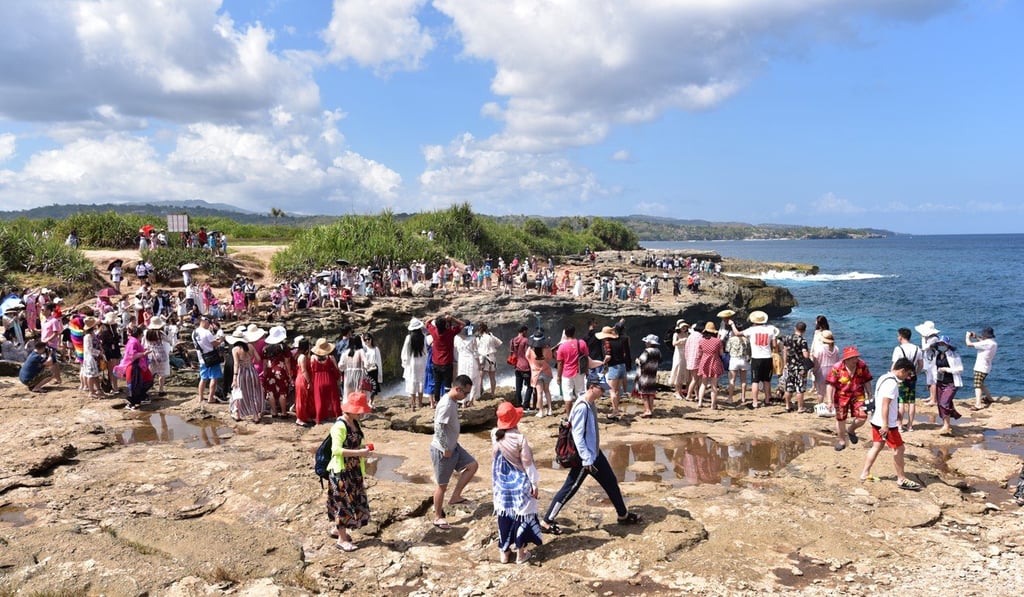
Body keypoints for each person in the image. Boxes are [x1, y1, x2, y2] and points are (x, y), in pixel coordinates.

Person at [539, 372, 642, 535]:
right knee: (570, 488)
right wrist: (586, 459)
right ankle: (546, 522)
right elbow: (577, 436)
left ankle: (623, 515)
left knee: (611, 482)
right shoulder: (581, 407)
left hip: (594, 453)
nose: (604, 392)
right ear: (592, 387)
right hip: (584, 458)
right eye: (601, 389)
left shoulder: (589, 402)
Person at [859, 358, 923, 490]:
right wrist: (886, 425)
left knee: (877, 446)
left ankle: (865, 473)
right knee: (899, 449)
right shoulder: (892, 384)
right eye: (907, 373)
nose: (907, 377)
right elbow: (885, 404)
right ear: (902, 370)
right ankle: (901, 479)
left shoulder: (884, 377)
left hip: (876, 420)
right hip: (886, 423)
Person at [491, 401, 543, 564]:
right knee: (522, 518)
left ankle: (504, 553)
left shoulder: (494, 434)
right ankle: (520, 555)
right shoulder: (520, 439)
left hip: (501, 485)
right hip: (520, 484)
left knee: (504, 517)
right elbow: (527, 463)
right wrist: (534, 484)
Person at [326, 388, 374, 551]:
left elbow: (355, 443)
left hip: (353, 471)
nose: (362, 414)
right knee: (343, 504)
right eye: (359, 411)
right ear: (351, 410)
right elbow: (336, 450)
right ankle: (341, 539)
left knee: (351, 501)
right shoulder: (339, 426)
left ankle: (337, 529)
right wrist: (359, 452)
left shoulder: (355, 423)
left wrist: (363, 449)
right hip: (341, 472)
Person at [430, 374, 479, 530]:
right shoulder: (446, 404)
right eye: (465, 393)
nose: (465, 397)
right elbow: (438, 428)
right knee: (442, 485)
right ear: (457, 389)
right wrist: (445, 447)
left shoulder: (452, 401)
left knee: (472, 465)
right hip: (442, 449)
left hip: (453, 446)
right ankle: (437, 517)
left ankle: (456, 497)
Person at [826, 346, 873, 451]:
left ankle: (851, 429)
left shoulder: (862, 365)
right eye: (853, 358)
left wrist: (870, 393)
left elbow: (867, 380)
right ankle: (841, 440)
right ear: (846, 359)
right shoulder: (837, 367)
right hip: (841, 396)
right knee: (841, 419)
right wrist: (829, 401)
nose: (856, 359)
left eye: (856, 357)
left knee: (863, 417)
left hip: (858, 395)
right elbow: (831, 385)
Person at [739, 311, 776, 409]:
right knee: (766, 380)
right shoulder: (770, 330)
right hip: (768, 357)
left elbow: (738, 333)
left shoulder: (751, 330)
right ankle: (767, 399)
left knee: (755, 381)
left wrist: (732, 324)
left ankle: (755, 402)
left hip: (756, 358)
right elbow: (775, 345)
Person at [426, 313, 464, 408]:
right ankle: (448, 401)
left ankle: (437, 402)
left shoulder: (434, 332)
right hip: (447, 363)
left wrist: (434, 317)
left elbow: (426, 322)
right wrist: (452, 318)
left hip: (436, 363)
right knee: (447, 384)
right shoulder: (450, 332)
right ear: (445, 325)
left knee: (437, 383)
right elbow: (463, 324)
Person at [227, 327, 264, 423]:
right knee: (253, 393)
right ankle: (255, 415)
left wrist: (234, 377)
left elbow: (236, 364)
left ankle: (237, 413)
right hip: (252, 371)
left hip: (242, 372)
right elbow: (258, 359)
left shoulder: (235, 349)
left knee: (239, 393)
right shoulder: (250, 346)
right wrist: (251, 363)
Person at [892, 328, 924, 432]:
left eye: (898, 336)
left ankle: (899, 424)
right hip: (912, 376)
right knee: (911, 401)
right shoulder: (917, 348)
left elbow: (894, 365)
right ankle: (910, 425)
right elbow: (921, 365)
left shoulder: (898, 349)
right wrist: (916, 373)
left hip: (901, 377)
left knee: (901, 401)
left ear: (900, 337)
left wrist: (892, 376)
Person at [930, 336, 963, 435]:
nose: (941, 346)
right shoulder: (937, 354)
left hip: (951, 383)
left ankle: (951, 417)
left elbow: (960, 369)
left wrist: (946, 369)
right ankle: (946, 425)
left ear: (947, 345)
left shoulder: (954, 355)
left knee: (944, 403)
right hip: (940, 382)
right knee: (940, 404)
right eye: (940, 344)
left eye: (943, 344)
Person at [555, 325, 590, 418]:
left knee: (567, 396)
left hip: (566, 374)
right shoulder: (581, 343)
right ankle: (582, 414)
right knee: (581, 393)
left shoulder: (562, 347)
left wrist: (558, 376)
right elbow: (586, 358)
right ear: (575, 332)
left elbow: (560, 363)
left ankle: (569, 416)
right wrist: (587, 371)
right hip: (579, 372)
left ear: (565, 334)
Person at [597, 324, 630, 418]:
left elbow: (608, 356)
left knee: (611, 391)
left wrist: (603, 363)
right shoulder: (620, 340)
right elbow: (624, 353)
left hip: (614, 367)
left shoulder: (607, 343)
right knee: (617, 390)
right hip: (622, 366)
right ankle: (616, 409)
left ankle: (615, 411)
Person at [261, 326, 293, 419]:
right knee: (282, 392)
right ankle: (283, 413)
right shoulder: (284, 347)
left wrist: (264, 372)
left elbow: (265, 362)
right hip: (281, 370)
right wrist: (289, 372)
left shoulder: (265, 348)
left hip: (270, 370)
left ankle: (274, 412)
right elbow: (287, 361)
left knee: (270, 392)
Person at [310, 338, 343, 425]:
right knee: (334, 399)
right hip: (329, 379)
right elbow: (336, 370)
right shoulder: (330, 357)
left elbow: (311, 370)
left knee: (319, 400)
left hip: (318, 381)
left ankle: (319, 418)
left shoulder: (313, 358)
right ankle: (338, 416)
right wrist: (338, 378)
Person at [780, 321, 811, 413]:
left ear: (795, 328)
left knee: (789, 387)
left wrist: (785, 364)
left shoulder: (787, 338)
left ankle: (787, 406)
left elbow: (785, 352)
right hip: (800, 367)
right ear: (804, 330)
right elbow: (805, 355)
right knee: (800, 388)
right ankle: (800, 407)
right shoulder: (803, 340)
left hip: (790, 366)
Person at [193, 317, 225, 404]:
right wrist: (221, 340)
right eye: (209, 322)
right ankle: (211, 397)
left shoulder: (194, 332)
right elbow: (215, 344)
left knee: (203, 378)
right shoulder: (206, 332)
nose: (210, 325)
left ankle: (201, 397)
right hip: (211, 357)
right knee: (213, 378)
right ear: (205, 322)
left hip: (201, 358)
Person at [965, 327, 998, 410]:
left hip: (980, 367)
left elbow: (969, 344)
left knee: (977, 385)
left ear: (985, 335)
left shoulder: (986, 343)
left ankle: (978, 404)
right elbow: (982, 342)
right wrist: (976, 337)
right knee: (981, 384)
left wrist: (967, 337)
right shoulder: (993, 343)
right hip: (986, 367)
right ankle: (989, 398)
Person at [695, 323, 725, 410]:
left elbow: (699, 353)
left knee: (703, 384)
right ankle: (713, 404)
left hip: (704, 362)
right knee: (714, 385)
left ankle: (700, 402)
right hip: (715, 362)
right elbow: (721, 353)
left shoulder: (701, 341)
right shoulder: (718, 341)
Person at [401, 318, 428, 409]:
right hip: (421, 361)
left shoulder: (408, 338)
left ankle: (413, 403)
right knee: (421, 381)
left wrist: (404, 362)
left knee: (412, 381)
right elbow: (425, 351)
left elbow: (405, 351)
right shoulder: (423, 337)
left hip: (412, 362)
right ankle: (420, 402)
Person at [526, 331, 554, 417]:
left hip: (536, 373)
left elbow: (527, 356)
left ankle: (541, 411)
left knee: (539, 392)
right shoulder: (547, 349)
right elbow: (550, 358)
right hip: (546, 371)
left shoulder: (531, 350)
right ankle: (550, 410)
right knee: (547, 391)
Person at [915, 320, 941, 406]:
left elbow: (924, 347)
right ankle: (931, 396)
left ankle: (934, 399)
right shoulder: (930, 338)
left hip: (933, 361)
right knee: (929, 378)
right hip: (929, 360)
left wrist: (922, 338)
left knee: (933, 380)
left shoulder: (934, 338)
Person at [144, 316, 171, 397]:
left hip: (151, 354)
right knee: (161, 373)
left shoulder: (146, 332)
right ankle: (161, 390)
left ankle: (148, 388)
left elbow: (144, 343)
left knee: (151, 372)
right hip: (160, 354)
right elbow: (169, 340)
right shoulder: (160, 333)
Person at [454, 325, 481, 406]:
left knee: (462, 380)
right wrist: (479, 364)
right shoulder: (473, 339)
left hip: (461, 360)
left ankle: (462, 401)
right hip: (471, 360)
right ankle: (471, 400)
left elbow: (455, 350)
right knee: (473, 380)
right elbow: (476, 353)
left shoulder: (456, 338)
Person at [811, 330, 839, 404]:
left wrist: (814, 370)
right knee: (832, 390)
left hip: (821, 370)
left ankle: (820, 405)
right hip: (832, 370)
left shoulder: (819, 349)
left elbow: (816, 362)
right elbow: (837, 362)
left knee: (821, 391)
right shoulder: (836, 348)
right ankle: (832, 405)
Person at [726, 322, 751, 403]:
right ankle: (743, 397)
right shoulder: (747, 340)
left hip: (734, 359)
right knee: (743, 380)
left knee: (732, 380)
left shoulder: (731, 339)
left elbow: (727, 349)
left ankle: (730, 398)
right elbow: (749, 351)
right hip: (744, 360)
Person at [476, 323, 503, 398]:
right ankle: (492, 393)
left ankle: (480, 392)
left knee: (480, 377)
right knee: (492, 377)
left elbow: (475, 348)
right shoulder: (491, 337)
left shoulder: (478, 338)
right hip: (491, 357)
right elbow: (499, 343)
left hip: (482, 357)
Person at [293, 337, 315, 426]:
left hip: (303, 378)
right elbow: (304, 370)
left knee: (306, 398)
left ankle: (305, 416)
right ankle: (299, 418)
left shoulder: (302, 356)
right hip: (303, 379)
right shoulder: (302, 357)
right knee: (301, 399)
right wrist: (309, 381)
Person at [509, 326, 532, 408]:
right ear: (524, 331)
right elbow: (527, 354)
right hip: (526, 366)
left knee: (518, 387)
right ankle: (526, 405)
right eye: (526, 331)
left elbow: (512, 353)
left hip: (517, 366)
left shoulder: (512, 341)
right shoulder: (525, 341)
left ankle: (519, 404)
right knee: (530, 386)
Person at [668, 320, 690, 400]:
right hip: (678, 354)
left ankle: (681, 391)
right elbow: (673, 343)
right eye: (682, 327)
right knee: (678, 371)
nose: (684, 328)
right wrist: (681, 341)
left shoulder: (687, 334)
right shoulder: (676, 334)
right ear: (679, 328)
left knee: (685, 372)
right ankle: (677, 392)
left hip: (686, 354)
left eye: (685, 327)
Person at [339, 335, 365, 399]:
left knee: (348, 397)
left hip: (348, 376)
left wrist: (345, 369)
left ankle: (348, 408)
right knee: (358, 396)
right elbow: (366, 364)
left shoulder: (345, 353)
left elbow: (340, 366)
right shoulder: (360, 351)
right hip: (358, 376)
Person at [361, 332, 382, 407]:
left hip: (374, 369)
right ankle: (367, 401)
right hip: (367, 370)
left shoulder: (375, 349)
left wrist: (380, 373)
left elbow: (379, 361)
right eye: (365, 339)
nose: (367, 341)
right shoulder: (364, 349)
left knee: (374, 386)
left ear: (371, 339)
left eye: (368, 339)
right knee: (367, 386)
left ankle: (371, 402)